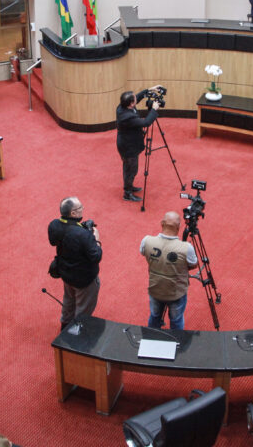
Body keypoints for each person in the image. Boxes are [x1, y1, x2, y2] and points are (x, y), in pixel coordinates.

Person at [47, 197, 102, 330]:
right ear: (73, 213)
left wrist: (82, 229)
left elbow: (58, 239)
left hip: (66, 273)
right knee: (83, 309)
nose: (83, 209)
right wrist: (96, 239)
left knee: (69, 302)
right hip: (84, 280)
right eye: (80, 208)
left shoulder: (54, 225)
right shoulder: (82, 235)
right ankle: (76, 336)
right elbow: (96, 256)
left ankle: (64, 327)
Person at [140, 211, 198, 330]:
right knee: (176, 320)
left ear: (162, 223)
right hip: (176, 294)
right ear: (179, 227)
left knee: (154, 316)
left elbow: (142, 252)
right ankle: (176, 343)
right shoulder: (187, 248)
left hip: (155, 290)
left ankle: (151, 339)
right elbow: (193, 264)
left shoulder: (146, 241)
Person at [115, 87, 161, 202]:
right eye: (134, 99)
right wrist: (154, 110)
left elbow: (138, 97)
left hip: (129, 142)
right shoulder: (127, 117)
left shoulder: (122, 106)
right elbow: (146, 122)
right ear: (131, 104)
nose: (137, 98)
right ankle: (127, 193)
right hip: (128, 147)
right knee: (131, 169)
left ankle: (129, 186)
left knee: (129, 168)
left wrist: (149, 90)